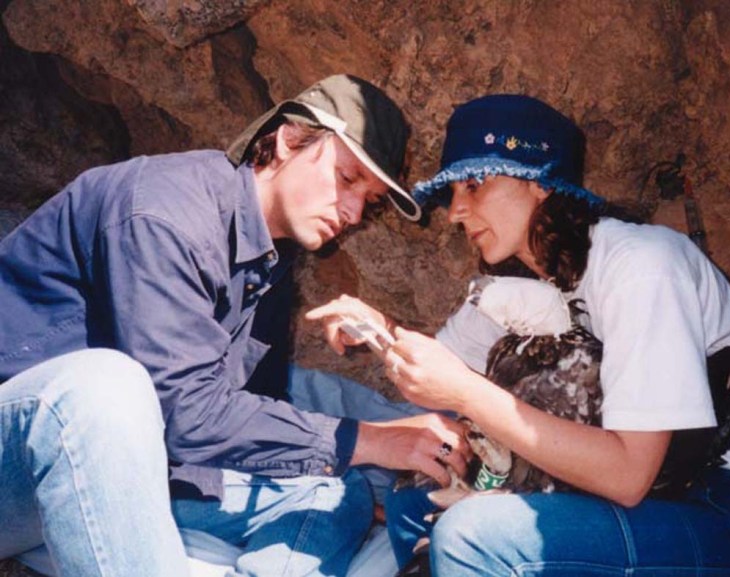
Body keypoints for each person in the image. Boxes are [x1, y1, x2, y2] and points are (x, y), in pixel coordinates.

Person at [307, 94, 730, 576]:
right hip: (661, 493)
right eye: (453, 193)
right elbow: (439, 370)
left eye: (475, 184)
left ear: (540, 183)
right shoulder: (525, 279)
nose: (456, 211)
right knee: (414, 498)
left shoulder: (641, 266)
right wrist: (379, 330)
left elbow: (628, 477)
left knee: (470, 535)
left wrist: (468, 395)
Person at [0, 74, 471, 577]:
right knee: (101, 388)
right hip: (28, 457)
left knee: (334, 489)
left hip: (121, 471)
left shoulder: (270, 253)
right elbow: (186, 413)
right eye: (347, 178)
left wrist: (348, 456)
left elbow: (248, 410)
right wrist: (372, 439)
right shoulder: (164, 212)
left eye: (369, 202)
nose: (354, 213)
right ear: (289, 138)